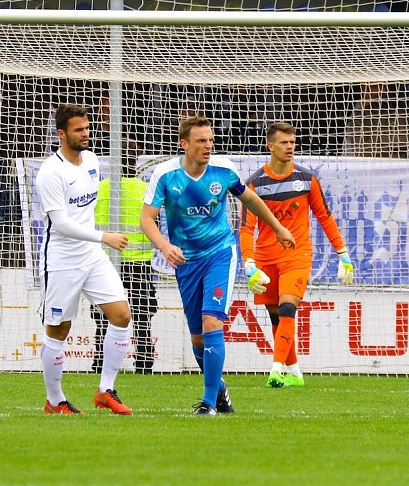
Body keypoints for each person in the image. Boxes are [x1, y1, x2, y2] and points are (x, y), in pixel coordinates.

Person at [140, 115, 295, 415]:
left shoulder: (223, 170)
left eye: (210, 140)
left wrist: (276, 227)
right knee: (198, 336)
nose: (208, 146)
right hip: (185, 260)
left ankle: (209, 402)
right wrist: (165, 245)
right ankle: (219, 387)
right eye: (201, 141)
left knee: (213, 323)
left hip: (220, 253)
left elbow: (250, 199)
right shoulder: (165, 175)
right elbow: (147, 218)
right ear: (184, 144)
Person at [35, 103, 133, 415]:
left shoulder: (91, 161)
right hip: (63, 261)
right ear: (61, 134)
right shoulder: (50, 173)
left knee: (121, 315)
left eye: (87, 128)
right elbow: (61, 224)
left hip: (92, 257)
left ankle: (105, 390)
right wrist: (104, 236)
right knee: (58, 330)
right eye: (79, 130)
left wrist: (98, 241)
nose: (86, 134)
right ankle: (55, 400)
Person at [239, 122, 353, 389]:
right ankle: (295, 371)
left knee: (289, 307)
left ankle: (276, 369)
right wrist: (249, 264)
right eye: (284, 142)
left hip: (297, 255)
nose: (290, 147)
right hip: (266, 258)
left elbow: (325, 217)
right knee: (277, 317)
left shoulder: (307, 179)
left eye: (292, 142)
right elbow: (246, 228)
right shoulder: (254, 184)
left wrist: (343, 254)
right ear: (270, 146)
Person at [90, 140, 158, 375]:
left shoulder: (100, 188)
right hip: (138, 261)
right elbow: (155, 222)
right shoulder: (144, 188)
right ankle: (144, 363)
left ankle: (100, 362)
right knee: (141, 315)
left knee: (104, 315)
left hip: (107, 261)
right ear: (134, 162)